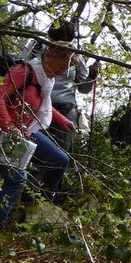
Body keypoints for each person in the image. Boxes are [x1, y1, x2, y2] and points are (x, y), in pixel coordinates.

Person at [0, 41, 76, 227]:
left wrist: (63, 121)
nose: (62, 72)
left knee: (60, 160)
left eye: (65, 69)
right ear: (48, 55)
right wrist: (9, 127)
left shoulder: (46, 80)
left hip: (25, 132)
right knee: (16, 179)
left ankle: (36, 202)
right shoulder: (23, 71)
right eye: (60, 66)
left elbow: (42, 105)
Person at [26, 21, 100, 202]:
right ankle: (28, 198)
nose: (65, 43)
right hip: (38, 105)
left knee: (61, 155)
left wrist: (92, 75)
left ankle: (52, 198)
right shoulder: (37, 46)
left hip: (65, 110)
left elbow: (83, 88)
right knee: (35, 151)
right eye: (60, 39)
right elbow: (22, 68)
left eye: (67, 40)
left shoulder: (75, 55)